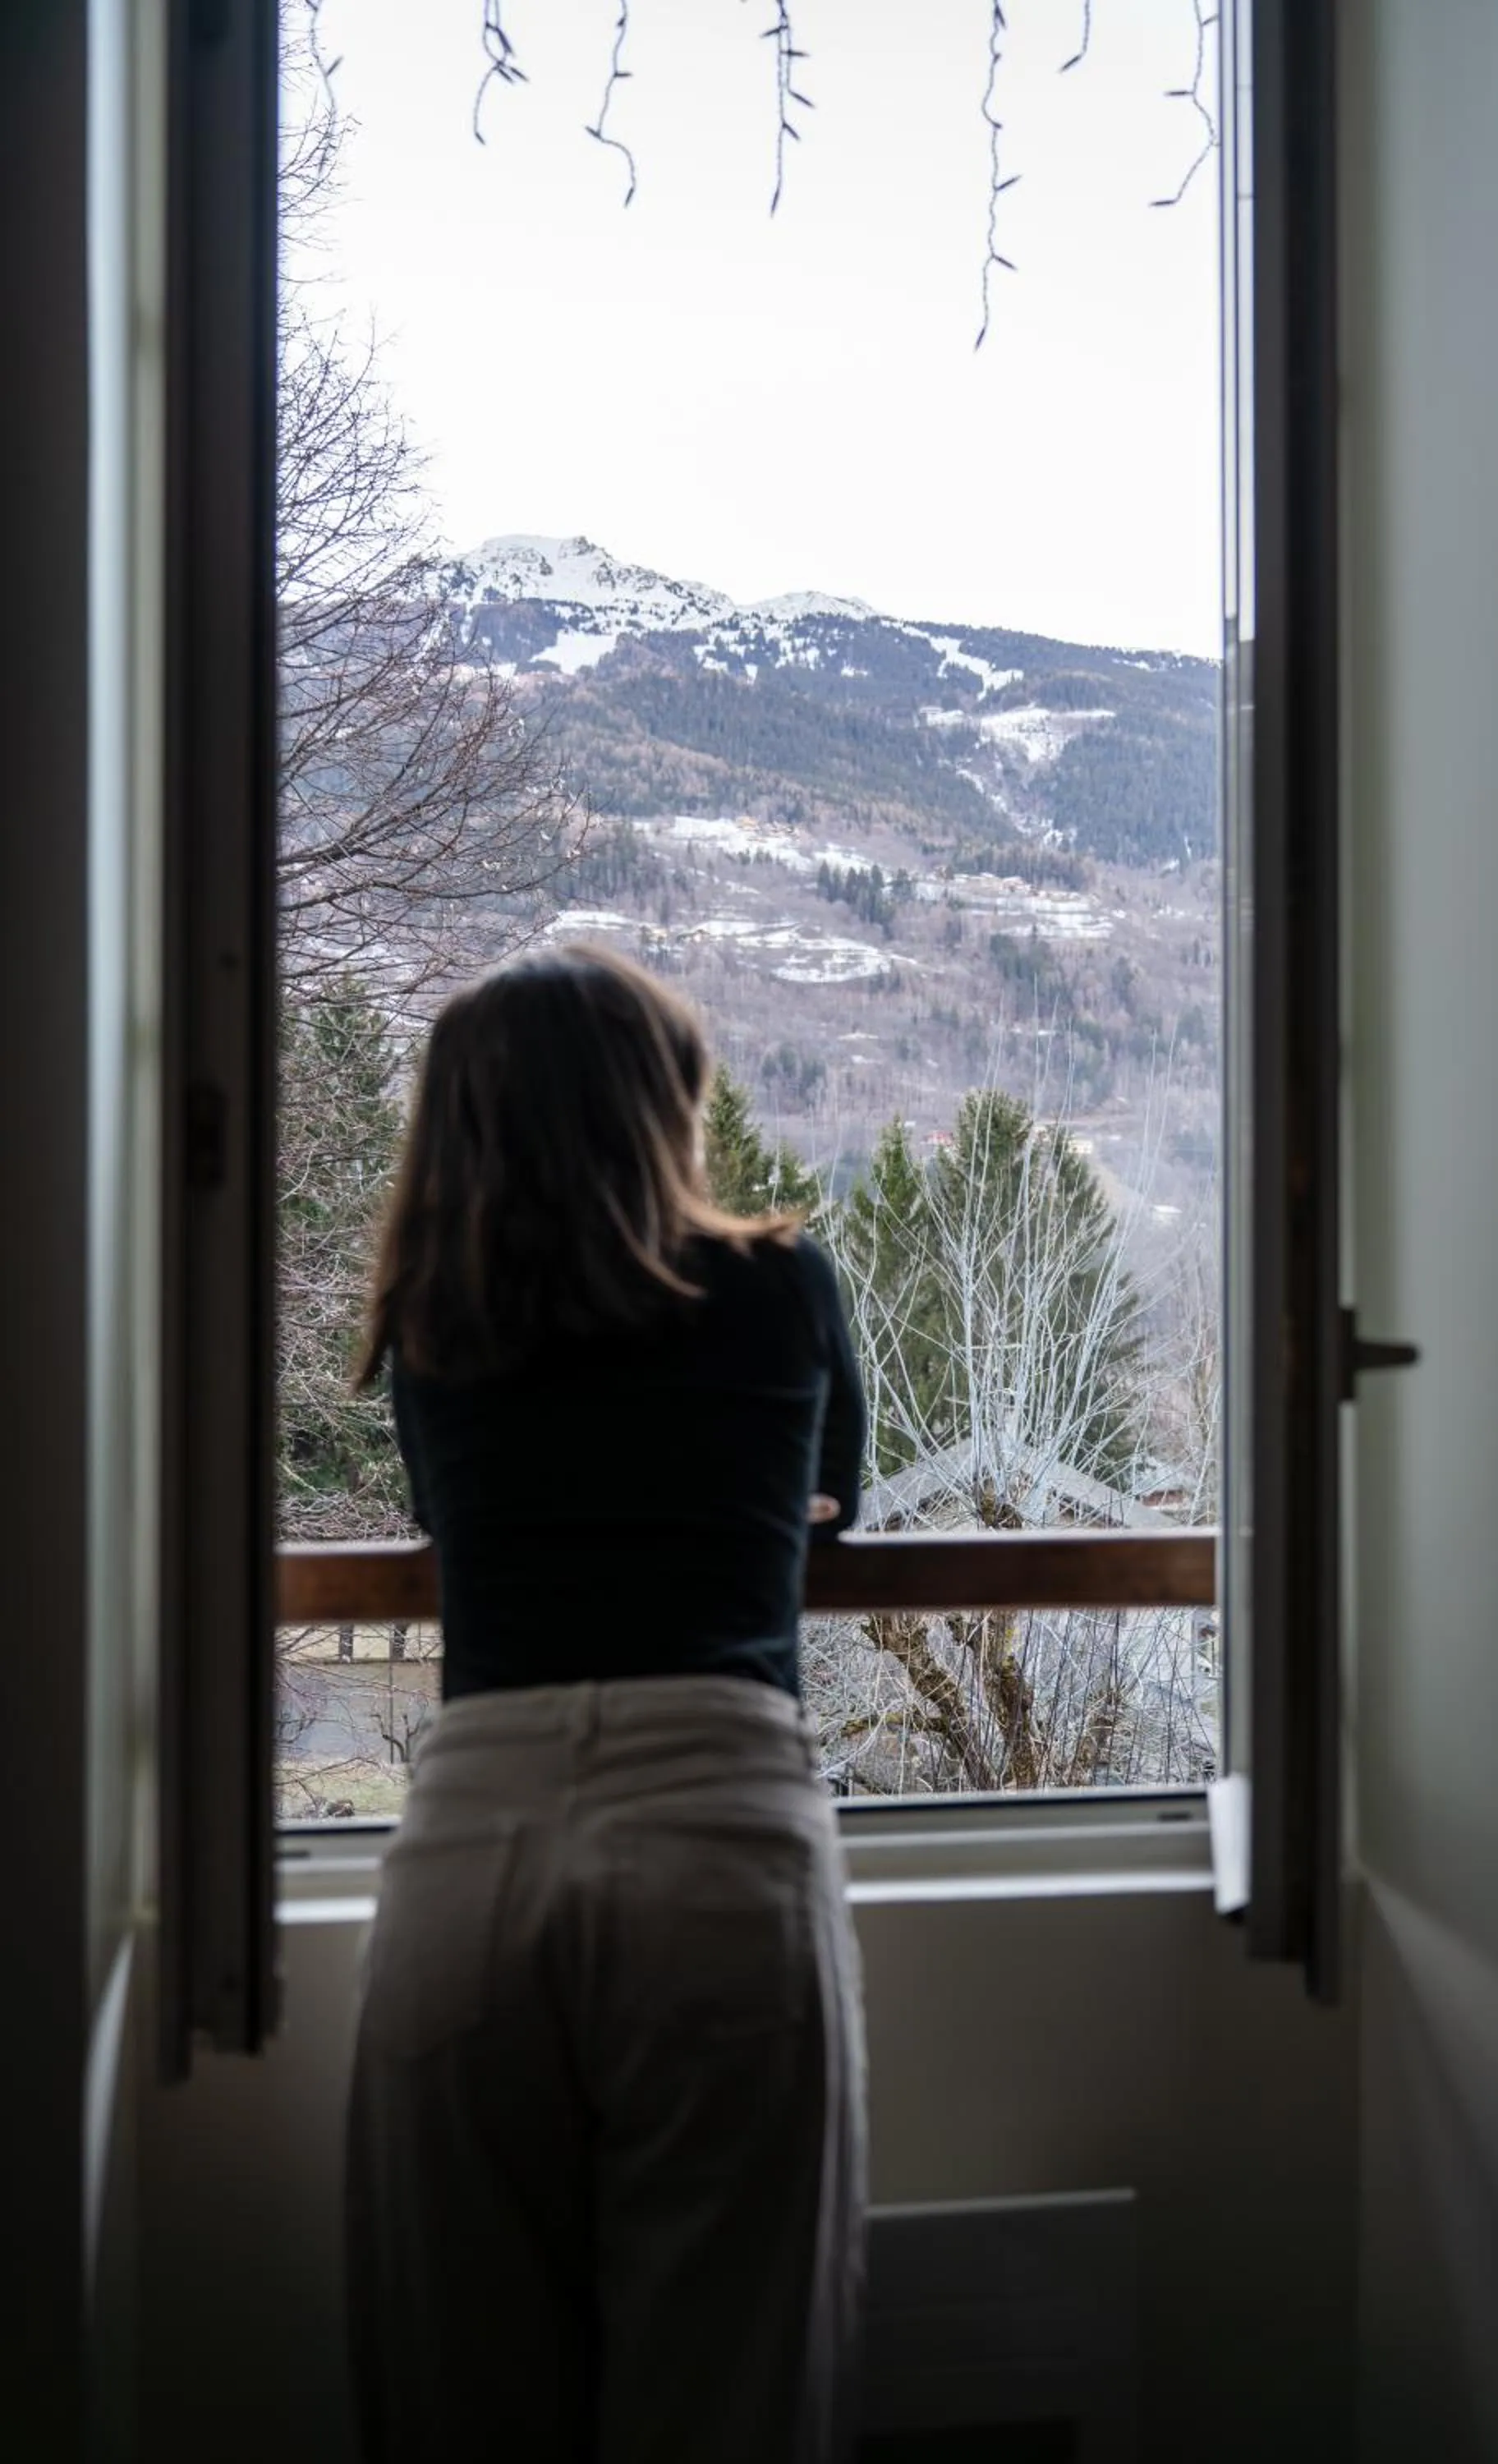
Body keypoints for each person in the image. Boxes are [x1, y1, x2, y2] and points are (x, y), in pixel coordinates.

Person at [345, 945, 869, 2464]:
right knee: (732, 2401)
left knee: (462, 2399)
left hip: (474, 1846)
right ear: (665, 1108)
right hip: (717, 1827)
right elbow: (832, 1497)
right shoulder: (780, 1288)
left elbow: (451, 1521)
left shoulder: (438, 1323)